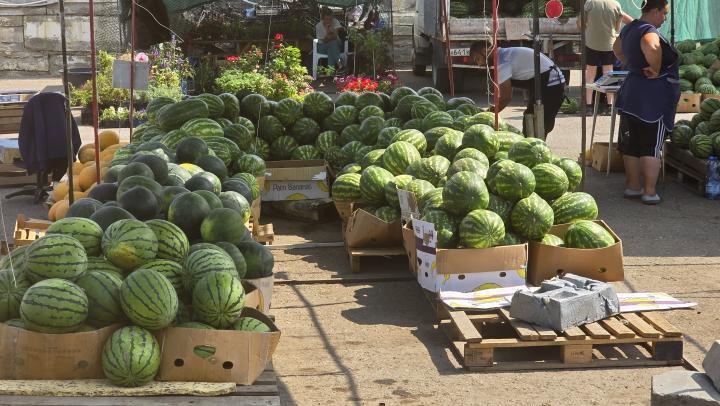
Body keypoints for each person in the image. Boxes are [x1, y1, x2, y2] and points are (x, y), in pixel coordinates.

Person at [613, 0, 679, 205]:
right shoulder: (648, 30)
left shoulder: (629, 27)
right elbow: (652, 45)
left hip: (632, 93)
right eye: (664, 14)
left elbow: (617, 49)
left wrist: (632, 63)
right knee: (651, 145)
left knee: (632, 145)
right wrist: (656, 67)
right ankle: (649, 191)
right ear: (655, 11)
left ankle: (633, 186)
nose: (665, 18)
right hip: (653, 98)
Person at [470, 41, 565, 138]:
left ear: (485, 51)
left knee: (536, 125)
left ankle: (536, 150)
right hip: (546, 83)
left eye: (478, 59)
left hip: (552, 84)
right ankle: (535, 147)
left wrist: (485, 116)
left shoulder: (501, 61)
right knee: (532, 122)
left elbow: (505, 98)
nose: (479, 64)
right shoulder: (502, 54)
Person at [577, 0, 633, 113]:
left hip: (591, 43)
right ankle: (609, 107)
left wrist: (587, 31)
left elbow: (579, 23)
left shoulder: (589, 3)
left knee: (590, 74)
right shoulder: (616, 5)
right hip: (609, 45)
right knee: (608, 73)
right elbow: (618, 29)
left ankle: (588, 106)